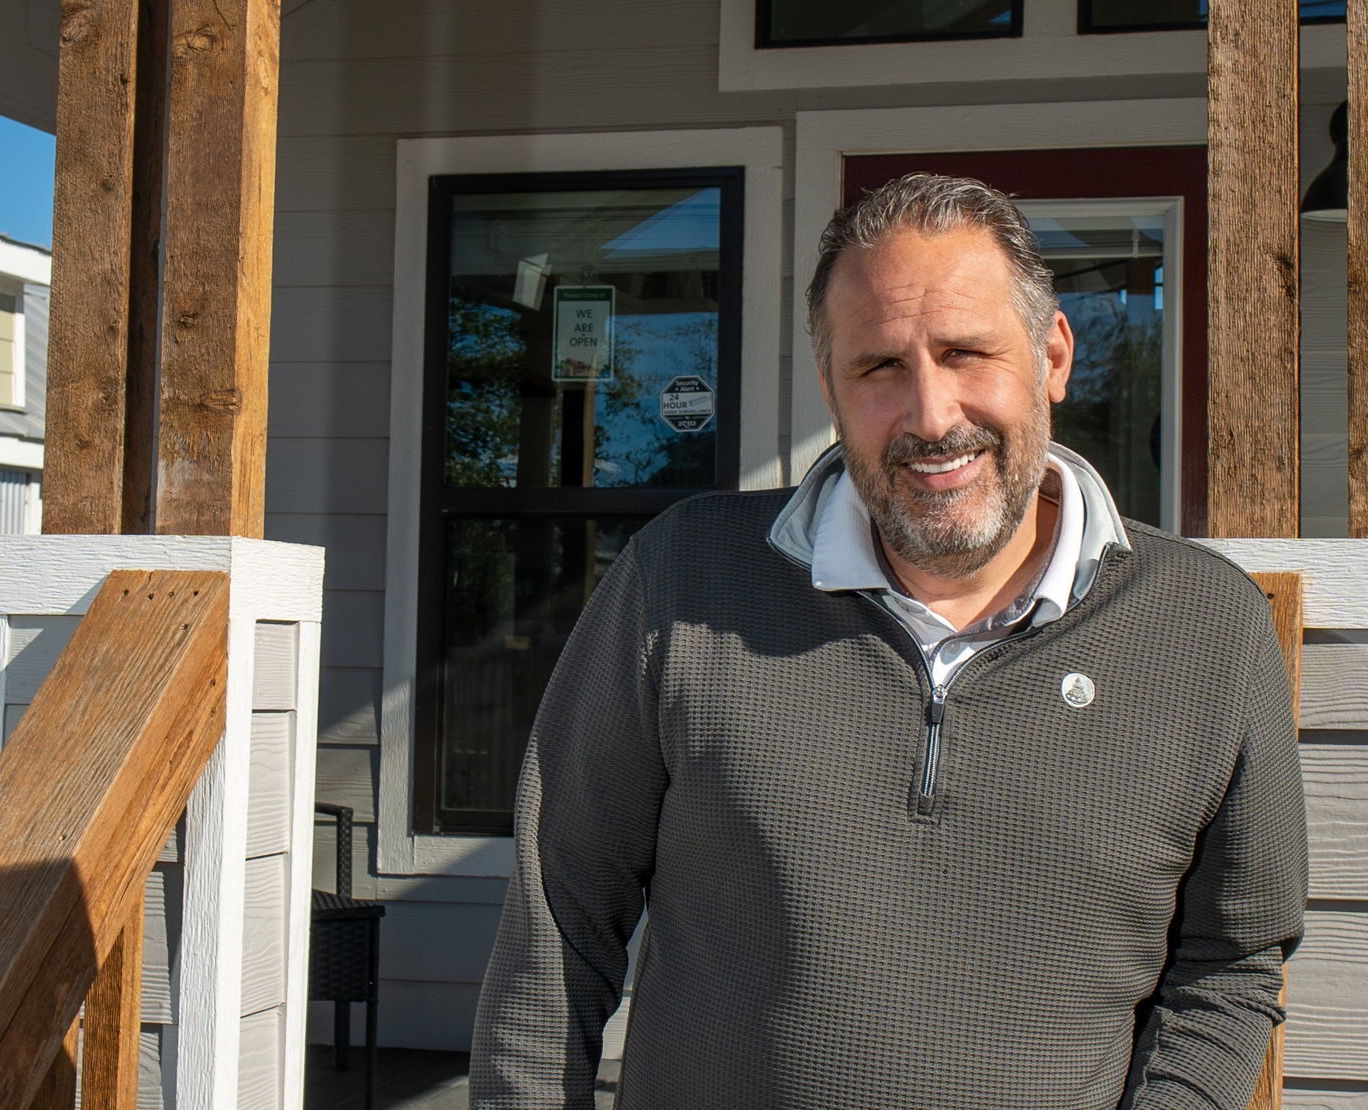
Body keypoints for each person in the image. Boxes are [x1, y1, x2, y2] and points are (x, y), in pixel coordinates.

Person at [471, 173, 1306, 1110]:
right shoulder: (683, 582)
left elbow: (1229, 963)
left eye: (965, 353)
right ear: (829, 384)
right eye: (880, 368)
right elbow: (559, 918)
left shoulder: (1206, 627)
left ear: (1053, 357)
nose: (932, 415)